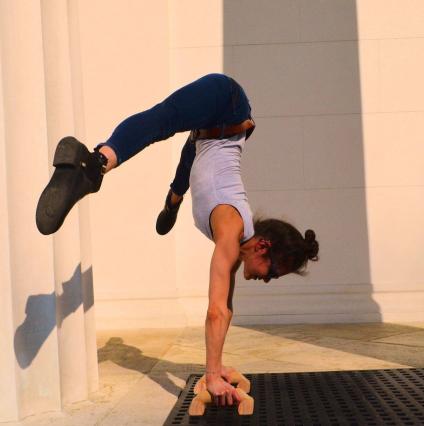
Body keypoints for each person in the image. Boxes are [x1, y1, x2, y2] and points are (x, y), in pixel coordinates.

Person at [36, 73, 319, 407]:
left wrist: (217, 365)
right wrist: (211, 376)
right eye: (272, 272)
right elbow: (215, 311)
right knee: (165, 118)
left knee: (191, 141)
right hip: (227, 101)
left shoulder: (233, 243)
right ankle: (94, 164)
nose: (267, 280)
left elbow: (225, 310)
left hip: (212, 130)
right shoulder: (230, 230)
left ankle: (171, 199)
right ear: (263, 246)